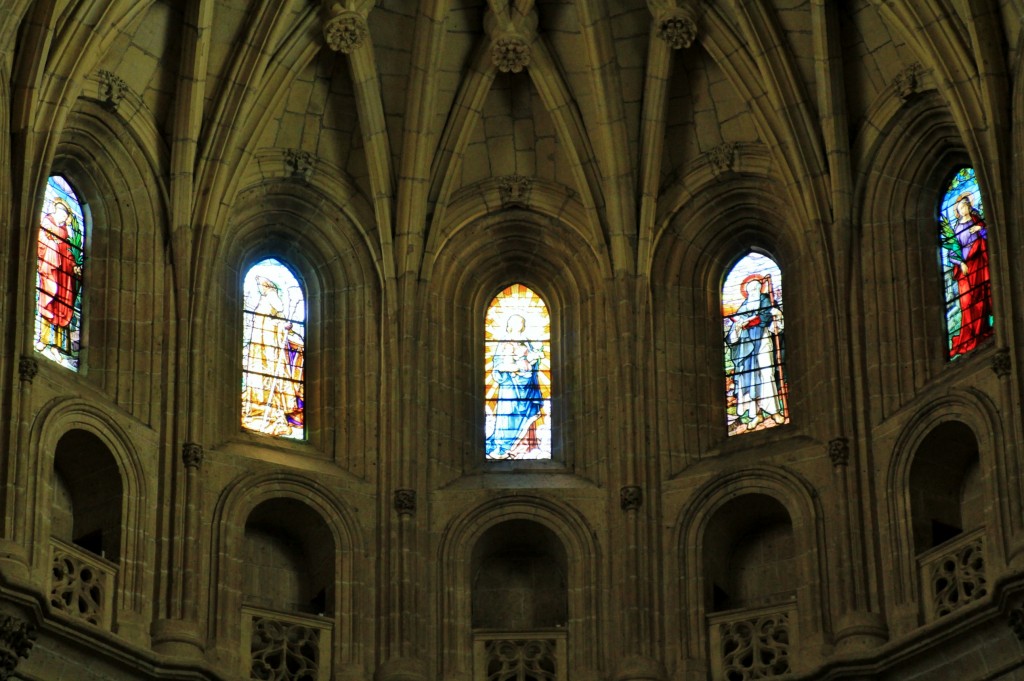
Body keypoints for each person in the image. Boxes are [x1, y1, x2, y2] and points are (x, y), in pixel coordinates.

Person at [242, 276, 304, 437]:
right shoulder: (265, 300)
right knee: (260, 374)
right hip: (262, 346)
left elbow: (280, 318)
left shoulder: (270, 297)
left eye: (262, 286)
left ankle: (276, 407)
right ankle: (259, 407)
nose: (261, 289)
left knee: (269, 374)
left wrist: (285, 328)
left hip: (270, 346)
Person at [726, 275, 786, 434]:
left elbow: (776, 328)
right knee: (751, 379)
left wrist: (778, 316)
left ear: (761, 290)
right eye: (751, 289)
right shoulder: (743, 308)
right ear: (746, 292)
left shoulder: (766, 305)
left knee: (767, 376)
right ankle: (756, 414)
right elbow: (732, 336)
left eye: (757, 288)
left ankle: (775, 412)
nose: (754, 291)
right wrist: (739, 326)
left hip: (763, 343)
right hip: (747, 348)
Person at [486, 314, 545, 458]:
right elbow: (498, 364)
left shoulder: (527, 342)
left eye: (521, 322)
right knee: (508, 412)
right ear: (510, 324)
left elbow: (533, 360)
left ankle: (524, 449)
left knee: (527, 412)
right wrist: (512, 368)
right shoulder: (504, 342)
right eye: (516, 322)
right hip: (509, 386)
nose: (519, 324)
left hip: (527, 384)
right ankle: (503, 446)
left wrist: (532, 360)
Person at [947, 193, 992, 356]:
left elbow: (988, 236)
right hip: (965, 269)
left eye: (965, 205)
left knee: (980, 299)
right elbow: (952, 252)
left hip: (979, 262)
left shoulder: (976, 221)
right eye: (960, 207)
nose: (963, 208)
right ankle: (969, 336)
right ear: (957, 211)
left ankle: (982, 331)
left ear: (969, 207)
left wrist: (980, 229)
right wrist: (961, 263)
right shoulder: (957, 228)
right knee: (966, 302)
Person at [37, 198, 78, 355]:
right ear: (57, 211)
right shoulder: (46, 223)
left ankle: (57, 346)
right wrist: (51, 246)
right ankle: (44, 340)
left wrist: (74, 266)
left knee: (61, 307)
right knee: (47, 303)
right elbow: (40, 242)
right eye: (63, 214)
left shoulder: (64, 232)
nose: (64, 218)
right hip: (50, 271)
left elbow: (68, 251)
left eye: (66, 215)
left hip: (63, 275)